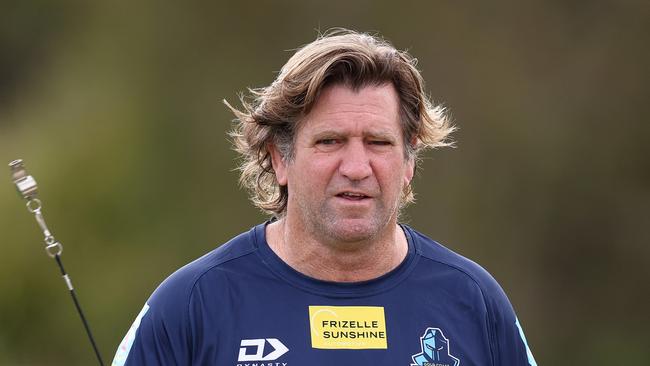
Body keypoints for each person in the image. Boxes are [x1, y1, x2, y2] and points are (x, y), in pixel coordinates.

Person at [112, 29, 537, 366]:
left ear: (408, 161)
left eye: (378, 142)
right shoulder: (191, 307)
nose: (356, 167)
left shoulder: (474, 303)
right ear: (280, 158)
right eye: (330, 141)